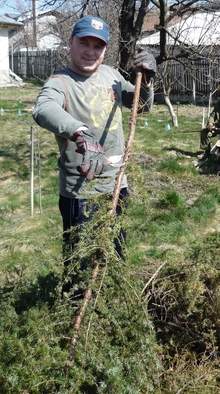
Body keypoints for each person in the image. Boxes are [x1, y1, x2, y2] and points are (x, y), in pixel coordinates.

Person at [32, 16, 156, 288]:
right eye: (83, 43)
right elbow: (42, 110)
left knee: (115, 253)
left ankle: (110, 304)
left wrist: (146, 83)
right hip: (81, 189)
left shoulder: (111, 75)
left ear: (105, 49)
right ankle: (76, 315)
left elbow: (141, 107)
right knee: (80, 264)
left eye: (97, 46)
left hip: (116, 184)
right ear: (70, 43)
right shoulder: (60, 82)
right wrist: (79, 131)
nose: (90, 51)